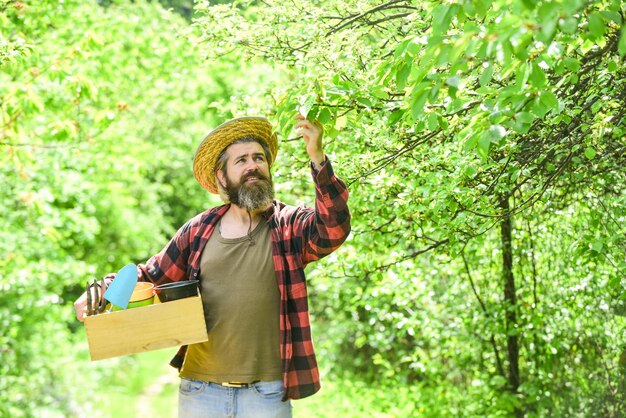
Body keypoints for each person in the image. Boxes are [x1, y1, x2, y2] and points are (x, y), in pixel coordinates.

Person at [74, 115, 351, 418]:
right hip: (200, 390)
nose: (252, 166)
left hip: (266, 391)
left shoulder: (288, 226)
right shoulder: (198, 230)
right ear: (222, 177)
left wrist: (318, 158)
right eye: (241, 160)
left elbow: (332, 230)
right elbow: (150, 276)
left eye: (259, 158)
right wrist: (102, 289)